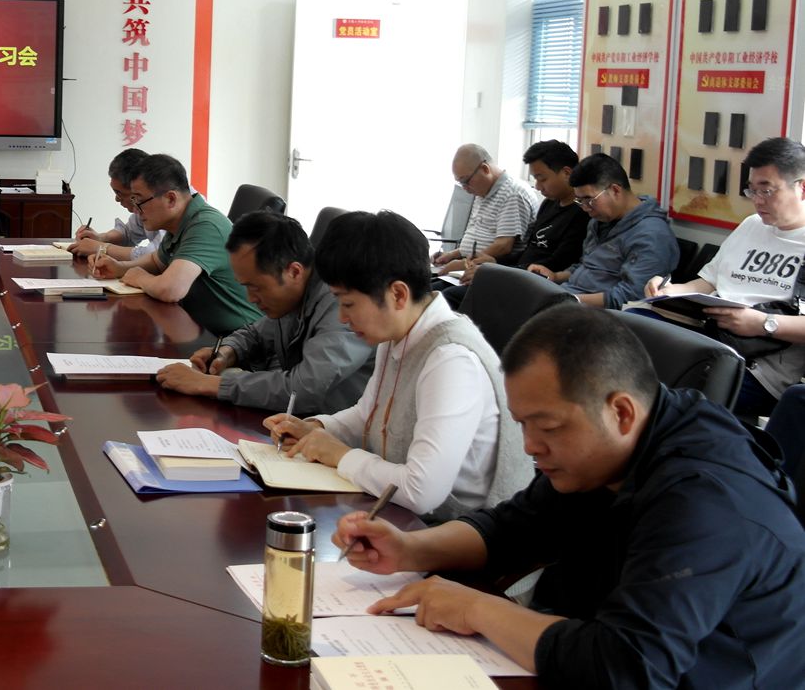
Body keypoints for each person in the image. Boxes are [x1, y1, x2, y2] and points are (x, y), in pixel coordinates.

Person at [337, 305, 805, 687]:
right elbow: (515, 528)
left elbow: (629, 666)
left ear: (621, 413)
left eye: (547, 427)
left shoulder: (704, 502)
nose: (530, 446)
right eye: (523, 425)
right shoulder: (610, 449)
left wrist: (477, 608)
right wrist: (409, 548)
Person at [266, 210, 529, 522]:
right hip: (404, 515)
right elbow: (368, 414)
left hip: (455, 529)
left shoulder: (451, 360)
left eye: (348, 303)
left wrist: (340, 455)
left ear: (398, 294)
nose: (342, 317)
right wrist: (318, 428)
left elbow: (421, 491)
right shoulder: (399, 333)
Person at [644, 137, 805, 418]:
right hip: (708, 337)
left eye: (767, 191)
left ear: (801, 187)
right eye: (752, 190)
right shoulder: (751, 225)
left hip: (755, 368)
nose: (757, 200)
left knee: (653, 390)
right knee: (627, 331)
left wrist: (763, 324)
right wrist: (670, 290)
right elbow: (707, 283)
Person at [156, 211, 372, 416]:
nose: (251, 298)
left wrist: (210, 384)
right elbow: (257, 333)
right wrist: (229, 350)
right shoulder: (292, 294)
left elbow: (303, 389)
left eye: (256, 287)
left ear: (294, 271)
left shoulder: (341, 304)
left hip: (336, 430)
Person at [88, 154, 260, 336]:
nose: (136, 210)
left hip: (240, 341)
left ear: (170, 199)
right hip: (204, 333)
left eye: (139, 201)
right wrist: (120, 268)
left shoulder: (206, 225)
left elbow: (170, 289)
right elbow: (157, 262)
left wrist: (139, 278)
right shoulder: (179, 221)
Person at [444, 140, 589, 308]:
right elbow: (528, 250)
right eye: (535, 179)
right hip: (518, 274)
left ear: (566, 173)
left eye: (542, 179)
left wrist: (496, 271)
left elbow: (556, 263)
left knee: (448, 297)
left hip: (536, 284)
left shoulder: (581, 213)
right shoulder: (550, 204)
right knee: (440, 289)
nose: (538, 187)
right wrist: (494, 262)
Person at [531, 153, 677, 308]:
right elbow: (587, 266)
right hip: (569, 299)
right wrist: (555, 276)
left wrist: (568, 300)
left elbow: (631, 296)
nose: (585, 208)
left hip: (599, 314)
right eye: (580, 201)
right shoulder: (600, 221)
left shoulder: (652, 235)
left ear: (615, 190)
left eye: (589, 200)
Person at [432, 143, 540, 276]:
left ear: (485, 169)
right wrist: (451, 255)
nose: (464, 188)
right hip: (472, 264)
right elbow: (476, 237)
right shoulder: (482, 191)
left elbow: (504, 246)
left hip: (493, 270)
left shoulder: (513, 194)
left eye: (466, 181)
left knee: (431, 287)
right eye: (460, 183)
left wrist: (464, 264)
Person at [69, 148, 164, 260]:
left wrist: (102, 248)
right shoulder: (145, 208)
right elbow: (129, 234)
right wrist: (101, 238)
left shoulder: (168, 212)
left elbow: (156, 255)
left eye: (119, 193)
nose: (117, 199)